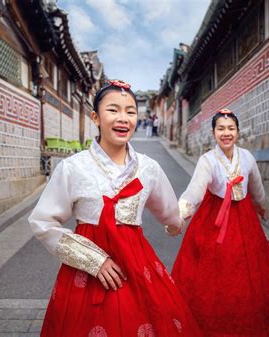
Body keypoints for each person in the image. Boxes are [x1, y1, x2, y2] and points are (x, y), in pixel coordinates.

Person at [29, 80, 202, 337]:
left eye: (130, 111)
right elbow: (42, 222)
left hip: (137, 265)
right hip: (86, 272)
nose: (123, 118)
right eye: (113, 110)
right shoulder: (73, 168)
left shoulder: (148, 168)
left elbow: (169, 213)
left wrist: (177, 221)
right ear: (96, 117)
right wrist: (93, 260)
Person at [171, 108, 269, 337]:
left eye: (231, 128)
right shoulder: (207, 160)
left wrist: (262, 208)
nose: (226, 133)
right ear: (214, 132)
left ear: (238, 131)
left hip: (244, 219)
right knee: (214, 274)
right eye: (221, 129)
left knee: (250, 272)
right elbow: (194, 192)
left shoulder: (246, 157)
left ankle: (253, 321)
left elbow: (257, 188)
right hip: (215, 220)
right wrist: (179, 216)